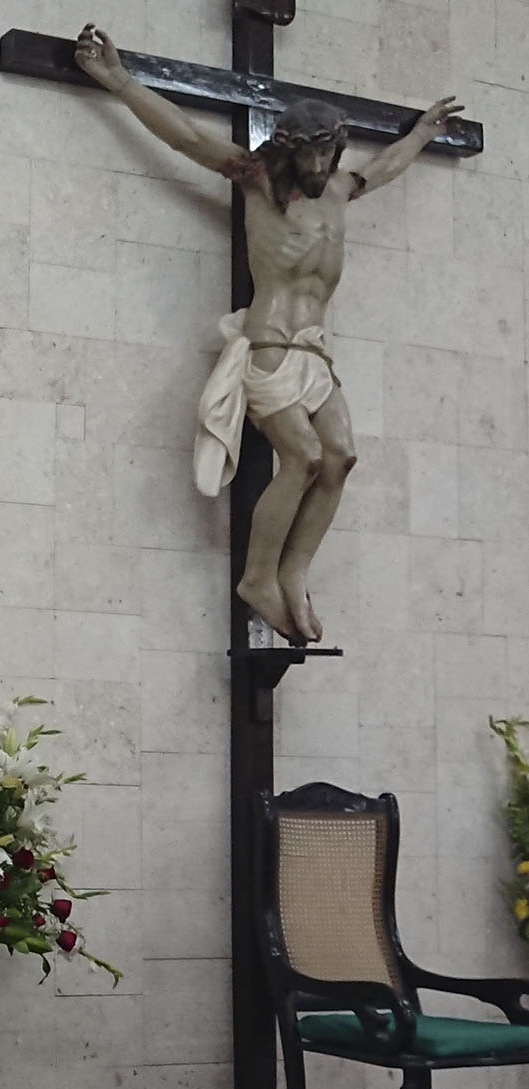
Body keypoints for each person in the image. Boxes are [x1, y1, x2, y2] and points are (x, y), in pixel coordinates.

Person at [74, 24, 461, 645]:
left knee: (341, 457)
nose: (319, 167)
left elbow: (384, 167)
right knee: (303, 456)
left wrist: (420, 133)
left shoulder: (341, 189)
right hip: (272, 347)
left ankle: (294, 571)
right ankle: (257, 577)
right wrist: (118, 79)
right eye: (309, 156)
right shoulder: (257, 179)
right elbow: (186, 136)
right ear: (288, 150)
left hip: (316, 353)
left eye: (327, 154)